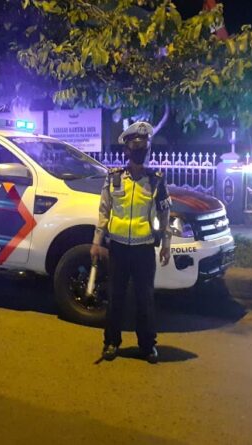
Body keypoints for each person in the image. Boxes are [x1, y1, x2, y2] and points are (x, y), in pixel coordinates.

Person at [91, 121, 172, 364]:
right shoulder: (114, 178)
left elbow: (164, 213)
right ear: (127, 150)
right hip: (117, 249)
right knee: (115, 298)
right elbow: (104, 211)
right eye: (136, 148)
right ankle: (111, 342)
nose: (140, 153)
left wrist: (166, 243)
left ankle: (147, 345)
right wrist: (97, 242)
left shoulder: (156, 180)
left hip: (144, 249)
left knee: (144, 299)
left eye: (144, 148)